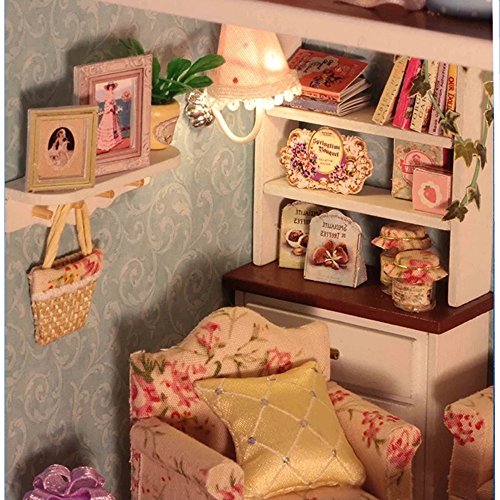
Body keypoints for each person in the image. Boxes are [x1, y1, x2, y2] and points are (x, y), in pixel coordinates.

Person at [96, 81, 123, 152]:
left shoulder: (113, 93)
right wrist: (110, 107)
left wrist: (114, 107)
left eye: (112, 86)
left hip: (112, 112)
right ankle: (106, 143)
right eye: (110, 86)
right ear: (108, 87)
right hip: (108, 112)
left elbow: (114, 102)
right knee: (107, 125)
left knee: (114, 125)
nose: (111, 87)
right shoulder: (108, 94)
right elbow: (107, 103)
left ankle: (115, 140)